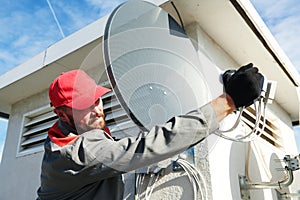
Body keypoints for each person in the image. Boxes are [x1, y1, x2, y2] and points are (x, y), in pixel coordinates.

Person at [37, 63, 263, 200]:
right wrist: (228, 102)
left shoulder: (66, 136)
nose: (97, 110)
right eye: (83, 107)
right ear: (62, 115)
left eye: (97, 100)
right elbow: (149, 146)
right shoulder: (75, 153)